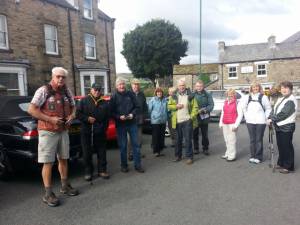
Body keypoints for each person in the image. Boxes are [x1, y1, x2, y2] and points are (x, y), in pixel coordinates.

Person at [28, 67, 78, 207]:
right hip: (48, 132)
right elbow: (31, 109)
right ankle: (48, 193)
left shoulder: (67, 91)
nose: (61, 79)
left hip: (63, 131)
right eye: (58, 76)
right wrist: (50, 120)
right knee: (48, 162)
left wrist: (72, 116)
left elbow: (74, 107)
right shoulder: (43, 90)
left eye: (63, 77)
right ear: (53, 76)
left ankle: (64, 186)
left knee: (63, 159)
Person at [76, 83, 110, 181]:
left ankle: (102, 170)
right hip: (87, 131)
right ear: (91, 90)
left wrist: (104, 128)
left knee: (102, 152)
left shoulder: (104, 102)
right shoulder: (84, 101)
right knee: (87, 153)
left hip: (100, 131)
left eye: (99, 90)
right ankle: (88, 171)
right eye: (95, 89)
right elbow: (77, 114)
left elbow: (107, 118)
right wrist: (87, 118)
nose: (97, 91)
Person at [110, 78, 144, 173]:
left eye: (123, 84)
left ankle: (138, 165)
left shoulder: (130, 94)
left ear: (125, 85)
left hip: (132, 123)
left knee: (136, 145)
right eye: (120, 84)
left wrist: (132, 114)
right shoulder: (114, 96)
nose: (122, 86)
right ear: (116, 86)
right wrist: (118, 117)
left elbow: (137, 107)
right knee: (123, 146)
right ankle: (124, 165)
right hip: (120, 125)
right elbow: (111, 112)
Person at [267, 81, 298, 174]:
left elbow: (283, 114)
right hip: (279, 126)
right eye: (282, 88)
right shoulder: (281, 98)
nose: (284, 90)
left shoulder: (291, 100)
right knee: (281, 146)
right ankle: (281, 163)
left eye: (286, 88)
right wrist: (270, 116)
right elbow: (274, 110)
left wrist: (272, 119)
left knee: (287, 147)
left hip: (287, 127)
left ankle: (288, 166)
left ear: (290, 89)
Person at [168, 79, 198, 164]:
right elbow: (169, 106)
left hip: (187, 121)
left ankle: (189, 157)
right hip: (177, 121)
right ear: (178, 86)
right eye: (180, 85)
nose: (182, 87)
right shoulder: (173, 96)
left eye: (183, 85)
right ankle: (178, 156)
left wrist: (190, 117)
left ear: (185, 86)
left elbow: (195, 108)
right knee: (178, 140)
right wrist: (176, 106)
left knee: (188, 139)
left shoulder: (191, 96)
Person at [240, 82, 272, 164]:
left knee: (258, 139)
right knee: (252, 140)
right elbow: (243, 108)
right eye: (253, 87)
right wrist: (246, 117)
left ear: (259, 88)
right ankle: (252, 156)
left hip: (261, 122)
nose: (255, 88)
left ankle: (258, 157)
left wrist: (266, 117)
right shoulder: (247, 97)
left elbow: (268, 108)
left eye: (257, 87)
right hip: (250, 122)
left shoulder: (264, 97)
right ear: (251, 88)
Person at [219, 89, 243, 161]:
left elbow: (240, 115)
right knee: (226, 140)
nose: (230, 96)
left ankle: (232, 155)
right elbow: (223, 113)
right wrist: (220, 122)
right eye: (228, 94)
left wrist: (236, 125)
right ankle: (228, 153)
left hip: (232, 124)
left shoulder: (237, 103)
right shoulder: (225, 102)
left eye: (231, 94)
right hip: (225, 123)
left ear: (234, 95)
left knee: (231, 140)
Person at [127, 78, 147, 161]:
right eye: (134, 84)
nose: (136, 86)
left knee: (139, 138)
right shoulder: (128, 94)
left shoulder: (142, 94)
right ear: (131, 85)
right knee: (130, 139)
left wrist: (145, 115)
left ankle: (137, 152)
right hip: (130, 120)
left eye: (137, 84)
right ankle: (131, 154)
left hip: (140, 120)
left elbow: (145, 106)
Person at [192, 80, 214, 155]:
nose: (199, 88)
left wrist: (205, 110)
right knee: (195, 134)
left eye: (200, 86)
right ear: (195, 87)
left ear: (203, 86)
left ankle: (205, 148)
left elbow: (211, 105)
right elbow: (189, 105)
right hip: (195, 117)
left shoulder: (208, 94)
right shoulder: (192, 95)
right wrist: (195, 111)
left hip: (204, 117)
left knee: (205, 134)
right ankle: (196, 148)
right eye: (197, 86)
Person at [148, 87, 168, 157]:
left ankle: (160, 150)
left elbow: (167, 110)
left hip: (163, 121)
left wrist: (167, 118)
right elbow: (149, 110)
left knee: (161, 136)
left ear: (162, 93)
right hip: (155, 121)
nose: (159, 93)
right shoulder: (152, 100)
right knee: (155, 136)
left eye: (160, 92)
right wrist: (152, 117)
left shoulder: (165, 100)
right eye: (158, 92)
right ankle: (156, 151)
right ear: (156, 93)